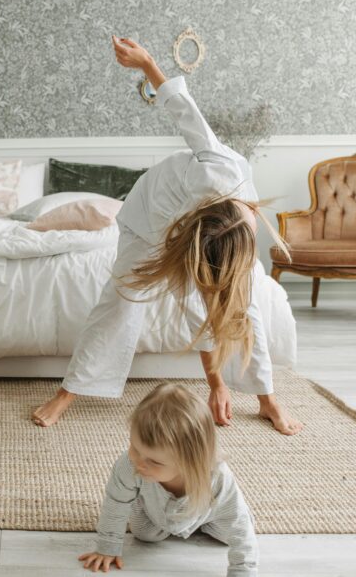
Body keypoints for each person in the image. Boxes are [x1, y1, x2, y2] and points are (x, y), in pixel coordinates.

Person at [33, 36, 302, 435]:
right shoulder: (216, 166)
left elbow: (223, 308)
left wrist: (221, 384)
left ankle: (265, 400)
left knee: (243, 309)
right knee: (121, 301)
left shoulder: (241, 232)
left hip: (201, 234)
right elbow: (184, 111)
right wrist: (146, 64)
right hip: (148, 215)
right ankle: (67, 393)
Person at [79, 383, 272, 577]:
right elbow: (116, 502)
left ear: (190, 461)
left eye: (154, 461)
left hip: (207, 513)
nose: (138, 462)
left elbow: (237, 523)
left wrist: (243, 572)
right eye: (134, 447)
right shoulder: (129, 465)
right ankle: (153, 511)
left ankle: (204, 523)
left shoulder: (217, 476)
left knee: (231, 534)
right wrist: (107, 546)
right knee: (144, 535)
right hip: (155, 511)